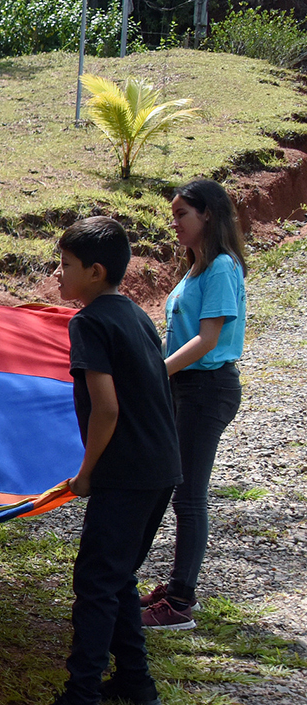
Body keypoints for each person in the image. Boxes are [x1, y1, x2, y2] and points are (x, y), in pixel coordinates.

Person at [15, 216, 182, 705]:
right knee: (117, 577)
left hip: (126, 471)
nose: (57, 275)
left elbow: (105, 408)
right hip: (160, 466)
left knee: (95, 583)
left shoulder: (88, 323)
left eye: (65, 266)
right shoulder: (133, 313)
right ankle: (136, 683)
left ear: (95, 271)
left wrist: (87, 472)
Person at [139, 179, 248, 631]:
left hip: (207, 389)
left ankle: (181, 601)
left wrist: (153, 373)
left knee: (188, 496)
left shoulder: (221, 267)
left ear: (208, 215)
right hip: (184, 388)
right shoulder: (196, 268)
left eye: (182, 214)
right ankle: (174, 588)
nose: (175, 224)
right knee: (170, 487)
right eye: (174, 216)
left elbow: (208, 340)